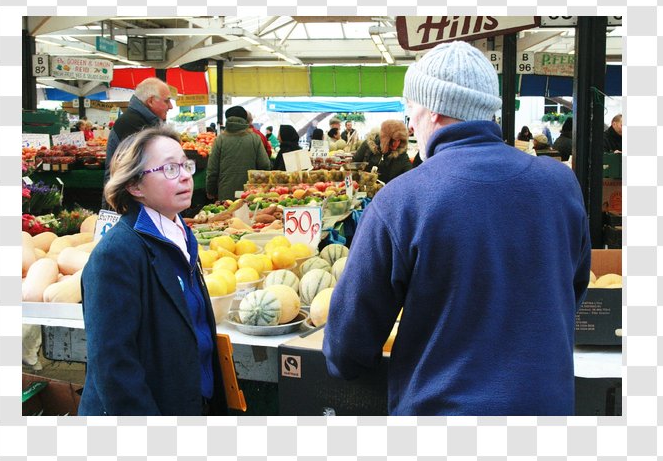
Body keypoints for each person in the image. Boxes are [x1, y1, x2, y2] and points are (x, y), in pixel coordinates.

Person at [323, 40, 591, 416]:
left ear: (431, 111)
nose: (410, 122)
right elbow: (574, 287)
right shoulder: (561, 184)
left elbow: (348, 344)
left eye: (411, 109)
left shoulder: (401, 200)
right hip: (546, 407)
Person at [79, 126, 228, 416]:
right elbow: (114, 368)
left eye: (185, 165)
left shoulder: (181, 235)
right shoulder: (116, 255)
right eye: (170, 168)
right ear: (135, 186)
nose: (186, 175)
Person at [103, 77, 173, 204]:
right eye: (167, 101)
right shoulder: (132, 124)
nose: (171, 106)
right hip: (128, 203)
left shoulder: (142, 121)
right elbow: (142, 168)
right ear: (151, 101)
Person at [206, 106, 271, 201]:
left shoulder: (220, 140)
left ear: (227, 120)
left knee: (228, 214)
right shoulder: (255, 139)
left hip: (225, 192)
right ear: (245, 120)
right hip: (250, 193)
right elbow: (265, 165)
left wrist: (211, 190)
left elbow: (212, 170)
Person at [352, 120, 413, 184]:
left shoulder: (401, 153)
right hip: (364, 189)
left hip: (388, 190)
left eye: (399, 140)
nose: (396, 144)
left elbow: (409, 172)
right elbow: (354, 164)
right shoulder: (368, 145)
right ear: (385, 138)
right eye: (393, 140)